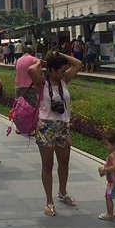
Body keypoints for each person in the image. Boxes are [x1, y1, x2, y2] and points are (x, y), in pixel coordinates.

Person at [28, 50, 83, 217]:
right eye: (58, 71)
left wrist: (61, 55)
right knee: (47, 165)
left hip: (63, 126)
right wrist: (42, 62)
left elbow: (78, 64)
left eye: (62, 71)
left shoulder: (64, 81)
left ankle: (63, 192)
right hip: (46, 127)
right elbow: (31, 69)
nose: (61, 74)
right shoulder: (41, 83)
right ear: (51, 70)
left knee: (64, 163)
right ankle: (49, 201)